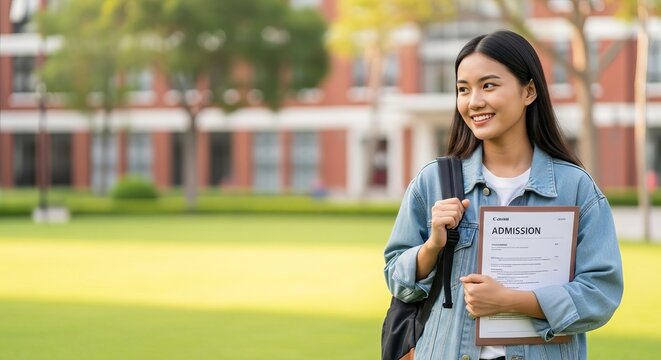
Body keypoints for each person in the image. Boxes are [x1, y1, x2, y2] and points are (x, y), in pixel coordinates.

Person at [383, 30, 623, 360]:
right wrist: (432, 247)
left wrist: (510, 302)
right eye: (463, 89)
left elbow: (601, 294)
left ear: (528, 91)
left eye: (489, 85)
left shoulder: (576, 189)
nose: (474, 101)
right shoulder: (432, 182)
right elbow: (397, 281)